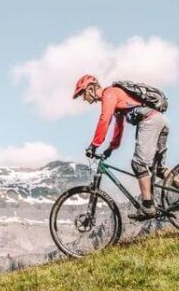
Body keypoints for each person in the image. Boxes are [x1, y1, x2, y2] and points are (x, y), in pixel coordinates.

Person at [73, 74, 170, 220]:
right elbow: (119, 127)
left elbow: (105, 119)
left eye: (83, 93)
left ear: (91, 88)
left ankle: (148, 206)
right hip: (159, 120)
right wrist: (111, 148)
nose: (84, 98)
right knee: (159, 170)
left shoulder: (109, 93)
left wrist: (94, 145)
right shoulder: (115, 98)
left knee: (138, 164)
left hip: (149, 121)